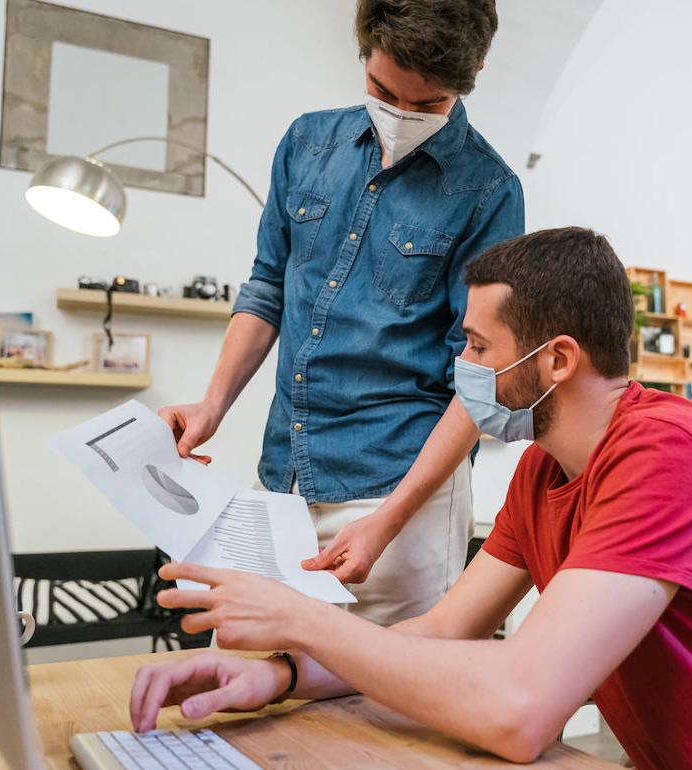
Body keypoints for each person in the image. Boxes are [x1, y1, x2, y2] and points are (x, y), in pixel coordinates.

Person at [129, 228, 692, 769]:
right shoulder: (545, 470)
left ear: (557, 360)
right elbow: (442, 630)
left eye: (478, 348)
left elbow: (520, 710)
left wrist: (300, 617)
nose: (461, 370)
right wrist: (282, 674)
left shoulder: (665, 452)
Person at [159, 0, 523, 625]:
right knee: (249, 676)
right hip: (285, 477)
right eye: (385, 92)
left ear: (475, 71)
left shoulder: (490, 191)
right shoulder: (306, 143)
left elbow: (479, 375)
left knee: (385, 704)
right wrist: (211, 405)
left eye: (428, 104)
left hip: (401, 492)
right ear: (363, 48)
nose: (403, 115)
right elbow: (267, 286)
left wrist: (390, 520)